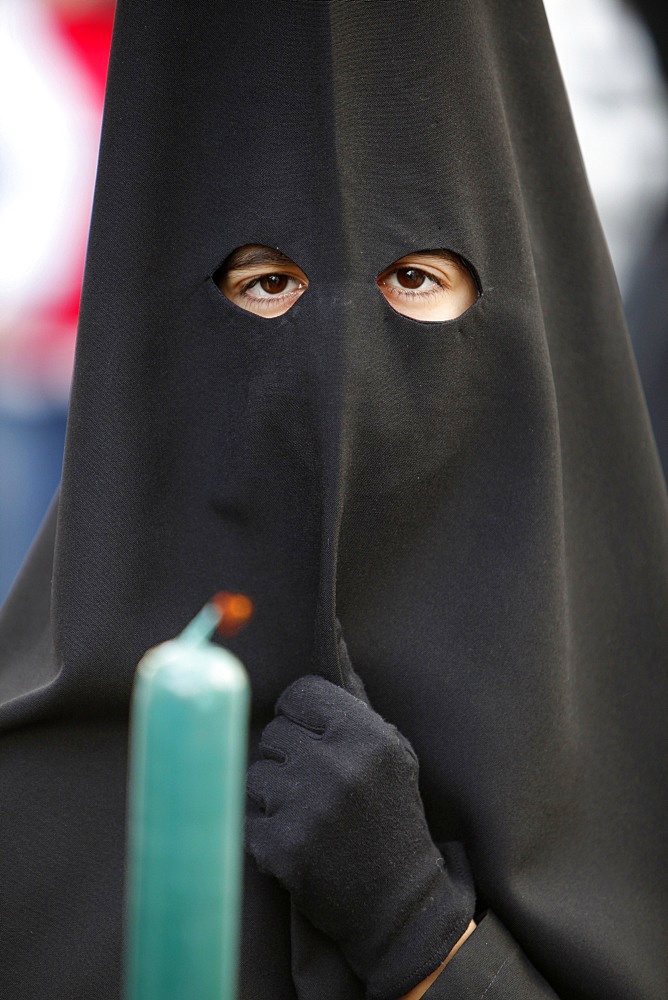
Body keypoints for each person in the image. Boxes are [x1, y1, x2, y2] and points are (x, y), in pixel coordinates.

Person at [0, 1, 666, 998]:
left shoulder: (637, 726)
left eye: (414, 279)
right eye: (267, 285)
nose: (341, 364)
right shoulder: (28, 784)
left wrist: (418, 932)